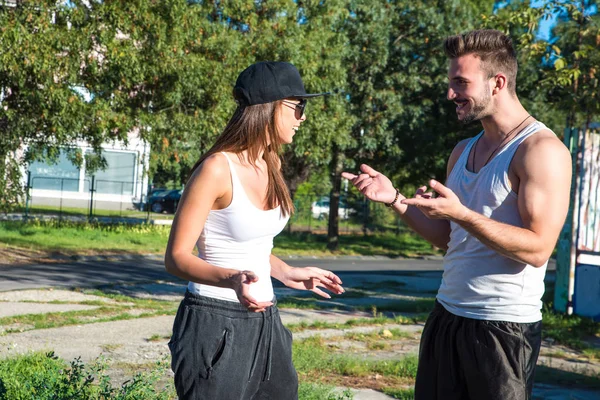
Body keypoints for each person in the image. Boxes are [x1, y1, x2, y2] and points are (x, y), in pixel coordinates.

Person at [342, 29, 571, 400]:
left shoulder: (540, 150)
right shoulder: (462, 150)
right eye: (451, 83)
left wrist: (462, 214)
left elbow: (538, 248)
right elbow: (450, 240)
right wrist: (395, 199)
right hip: (446, 316)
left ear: (498, 83)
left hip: (503, 329)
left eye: (461, 83)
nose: (451, 94)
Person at [164, 61, 344, 400]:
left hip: (267, 320)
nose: (302, 117)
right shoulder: (217, 169)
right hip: (215, 321)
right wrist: (231, 279)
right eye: (297, 106)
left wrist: (287, 272)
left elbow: (253, 245)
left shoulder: (271, 162)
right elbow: (175, 258)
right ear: (269, 108)